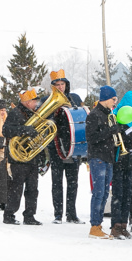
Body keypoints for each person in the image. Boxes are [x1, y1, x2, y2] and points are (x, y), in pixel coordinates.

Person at [2, 89, 45, 226]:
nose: (36, 103)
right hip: (19, 158)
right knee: (16, 188)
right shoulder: (15, 113)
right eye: (34, 101)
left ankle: (29, 215)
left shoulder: (34, 113)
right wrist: (25, 130)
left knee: (33, 189)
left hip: (32, 157)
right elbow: (6, 130)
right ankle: (9, 214)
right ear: (27, 102)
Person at [49, 70, 86, 225]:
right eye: (57, 85)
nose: (60, 87)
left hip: (72, 147)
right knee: (57, 183)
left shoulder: (75, 98)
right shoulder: (47, 100)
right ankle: (58, 214)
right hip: (56, 146)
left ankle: (71, 214)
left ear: (66, 85)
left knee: (73, 182)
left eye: (62, 84)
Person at [85, 85, 121, 239]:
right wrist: (110, 132)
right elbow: (91, 138)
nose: (115, 102)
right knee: (98, 192)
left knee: (105, 192)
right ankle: (94, 225)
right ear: (106, 98)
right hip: (98, 157)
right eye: (114, 99)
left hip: (108, 157)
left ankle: (98, 224)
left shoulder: (109, 114)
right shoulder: (94, 115)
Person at [110, 90, 132, 239]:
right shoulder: (116, 116)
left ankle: (124, 224)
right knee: (118, 193)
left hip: (130, 160)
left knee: (128, 194)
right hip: (118, 159)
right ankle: (115, 225)